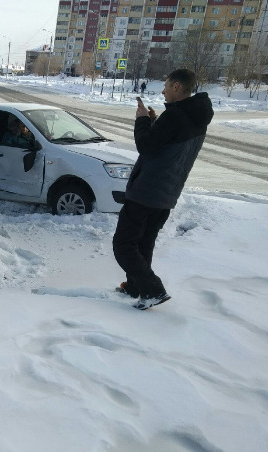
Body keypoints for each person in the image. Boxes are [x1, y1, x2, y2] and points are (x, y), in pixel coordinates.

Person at [112, 68, 214, 310]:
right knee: (144, 242)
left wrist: (142, 121)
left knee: (124, 245)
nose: (163, 90)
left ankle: (153, 289)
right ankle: (137, 287)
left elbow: (146, 146)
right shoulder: (195, 115)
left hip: (147, 191)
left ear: (177, 87)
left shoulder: (176, 116)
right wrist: (155, 123)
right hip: (166, 195)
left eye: (166, 85)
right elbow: (166, 145)